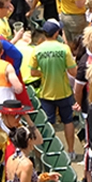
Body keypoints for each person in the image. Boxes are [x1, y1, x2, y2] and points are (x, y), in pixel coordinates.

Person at [29, 19, 78, 157]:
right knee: (68, 121)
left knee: (49, 125)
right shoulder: (64, 49)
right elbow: (73, 72)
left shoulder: (37, 50)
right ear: (56, 33)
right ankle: (71, 151)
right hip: (64, 92)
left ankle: (51, 152)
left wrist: (44, 72)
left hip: (46, 93)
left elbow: (33, 72)